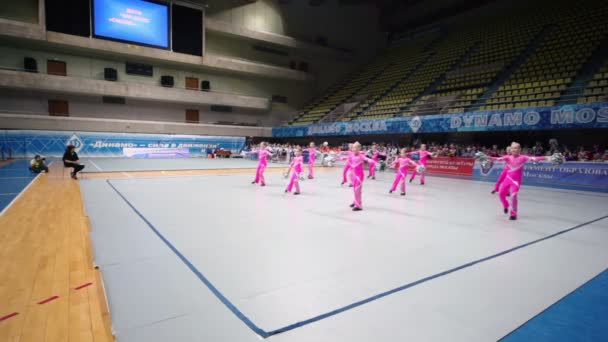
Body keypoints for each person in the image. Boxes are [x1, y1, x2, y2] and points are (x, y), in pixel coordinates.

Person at [488, 142, 548, 220]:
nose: (514, 150)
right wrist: (486, 157)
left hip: (516, 182)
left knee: (513, 196)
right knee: (501, 195)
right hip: (507, 179)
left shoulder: (523, 157)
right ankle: (506, 205)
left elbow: (535, 158)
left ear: (519, 149)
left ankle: (513, 214)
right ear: (511, 149)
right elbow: (497, 159)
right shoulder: (508, 157)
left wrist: (548, 157)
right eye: (513, 148)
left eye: (516, 148)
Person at [347, 142, 376, 211]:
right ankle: (355, 202)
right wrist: (338, 158)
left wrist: (371, 161)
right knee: (354, 189)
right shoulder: (352, 155)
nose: (354, 149)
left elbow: (366, 159)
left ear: (359, 148)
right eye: (353, 147)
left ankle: (359, 206)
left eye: (356, 148)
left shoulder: (361, 155)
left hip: (359, 176)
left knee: (357, 190)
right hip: (354, 175)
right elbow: (348, 160)